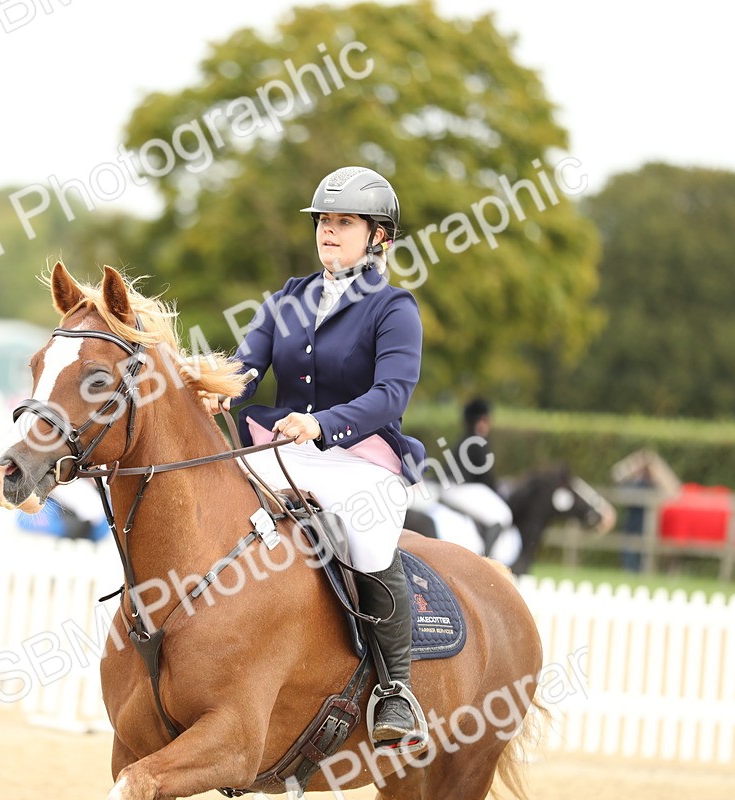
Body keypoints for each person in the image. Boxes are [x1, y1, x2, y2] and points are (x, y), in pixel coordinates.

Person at [202, 166, 425, 749]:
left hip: (360, 457)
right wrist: (211, 388)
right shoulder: (286, 299)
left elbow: (392, 394)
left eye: (343, 222)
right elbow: (247, 367)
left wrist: (324, 424)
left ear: (380, 237)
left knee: (370, 540)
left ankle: (395, 690)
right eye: (325, 221)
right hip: (280, 450)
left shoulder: (394, 308)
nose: (328, 232)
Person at [439, 398, 514, 548]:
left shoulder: (463, 439)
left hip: (450, 487)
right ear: (481, 420)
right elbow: (486, 477)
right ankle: (485, 559)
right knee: (501, 516)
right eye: (487, 419)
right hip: (461, 489)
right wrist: (500, 493)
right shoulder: (478, 442)